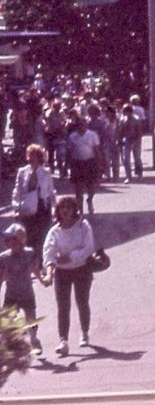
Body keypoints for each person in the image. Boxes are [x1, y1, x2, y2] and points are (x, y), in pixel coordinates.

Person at [43, 196, 97, 356]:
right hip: (62, 272)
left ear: (75, 210)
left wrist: (70, 257)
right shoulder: (54, 231)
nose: (65, 211)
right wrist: (49, 273)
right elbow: (48, 253)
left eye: (69, 207)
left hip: (82, 269)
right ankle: (63, 341)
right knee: (63, 306)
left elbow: (89, 247)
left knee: (82, 302)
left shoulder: (83, 226)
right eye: (62, 208)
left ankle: (84, 333)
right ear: (58, 211)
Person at [0, 223, 49, 355]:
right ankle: (7, 345)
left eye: (11, 239)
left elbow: (34, 269)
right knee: (6, 319)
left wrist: (42, 279)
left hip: (26, 292)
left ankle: (34, 340)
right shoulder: (4, 257)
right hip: (11, 293)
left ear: (20, 240)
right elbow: (1, 275)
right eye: (6, 240)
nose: (7, 242)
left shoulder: (29, 253)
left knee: (31, 318)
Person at [11, 144, 55, 265]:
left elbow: (51, 191)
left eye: (34, 155)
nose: (31, 158)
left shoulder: (46, 172)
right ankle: (31, 261)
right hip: (28, 207)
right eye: (30, 155)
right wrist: (16, 207)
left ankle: (39, 261)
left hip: (42, 207)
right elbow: (17, 190)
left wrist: (54, 208)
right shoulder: (22, 172)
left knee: (42, 235)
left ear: (40, 157)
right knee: (29, 235)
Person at [66, 118, 101, 215]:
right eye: (79, 125)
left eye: (83, 125)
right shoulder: (72, 137)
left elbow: (97, 150)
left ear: (86, 125)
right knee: (79, 188)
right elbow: (69, 151)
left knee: (92, 186)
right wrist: (67, 165)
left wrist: (99, 164)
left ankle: (90, 199)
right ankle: (80, 211)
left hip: (90, 162)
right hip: (77, 163)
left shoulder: (92, 135)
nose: (81, 127)